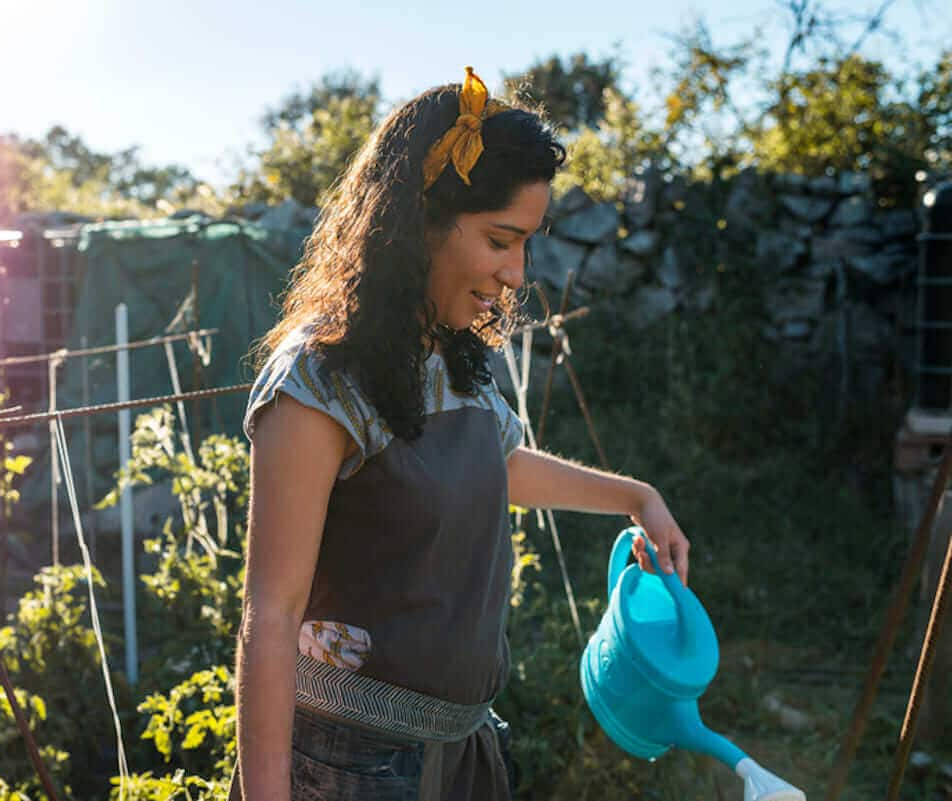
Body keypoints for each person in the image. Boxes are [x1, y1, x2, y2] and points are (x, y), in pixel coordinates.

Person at [230, 67, 691, 801]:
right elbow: (272, 613)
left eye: (526, 244)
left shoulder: (449, 356)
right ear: (421, 221)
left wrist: (637, 497)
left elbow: (497, 463)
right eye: (500, 240)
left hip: (461, 751)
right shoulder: (318, 381)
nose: (516, 273)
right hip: (349, 766)